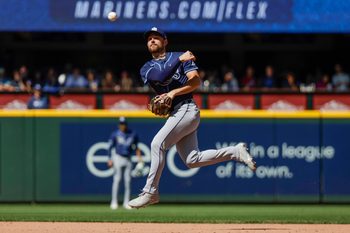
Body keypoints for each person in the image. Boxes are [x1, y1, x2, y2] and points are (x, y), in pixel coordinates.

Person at [128, 27, 256, 209]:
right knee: (192, 160)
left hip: (187, 109)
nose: (152, 40)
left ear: (165, 41)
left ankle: (150, 192)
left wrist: (174, 92)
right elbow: (161, 75)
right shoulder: (147, 68)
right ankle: (235, 152)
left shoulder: (179, 56)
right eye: (149, 39)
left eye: (157, 37)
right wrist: (178, 65)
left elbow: (195, 81)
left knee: (157, 144)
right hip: (176, 113)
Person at [107, 117, 143, 210]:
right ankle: (114, 202)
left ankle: (126, 203)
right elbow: (110, 147)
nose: (122, 125)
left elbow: (137, 147)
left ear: (126, 124)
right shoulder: (115, 134)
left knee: (128, 181)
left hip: (128, 158)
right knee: (117, 180)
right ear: (119, 125)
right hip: (118, 157)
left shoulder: (132, 134)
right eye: (121, 124)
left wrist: (140, 159)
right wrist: (109, 159)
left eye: (123, 124)